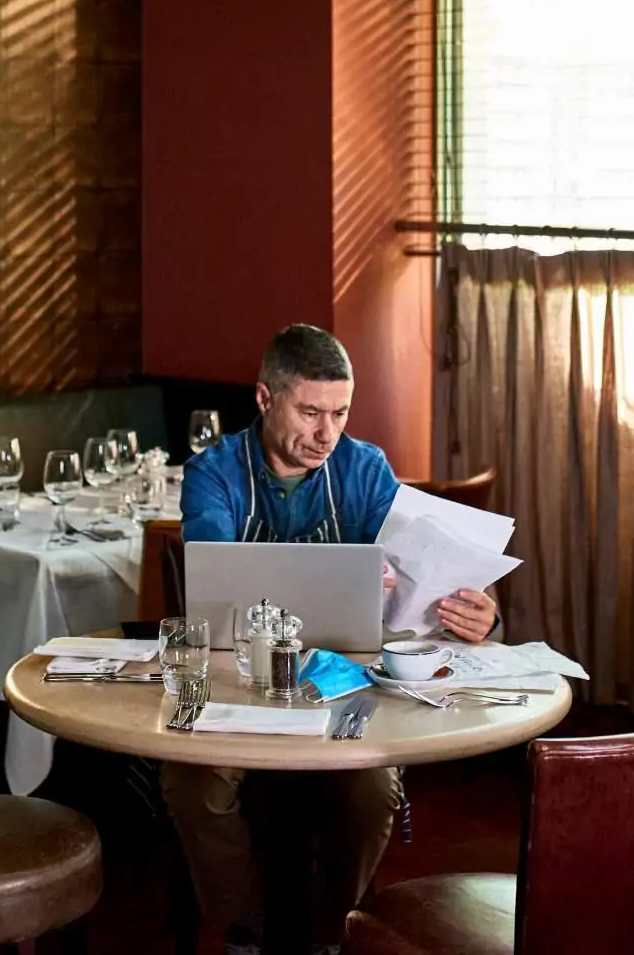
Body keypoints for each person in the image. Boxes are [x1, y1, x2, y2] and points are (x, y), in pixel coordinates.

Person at [169, 323, 501, 955]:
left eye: (341, 412)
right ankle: (247, 927)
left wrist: (482, 614)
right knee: (193, 784)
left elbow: (420, 577)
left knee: (375, 788)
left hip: (345, 683)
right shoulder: (213, 474)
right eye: (311, 412)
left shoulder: (364, 468)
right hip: (238, 681)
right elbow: (214, 572)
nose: (327, 434)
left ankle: (329, 933)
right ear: (265, 399)